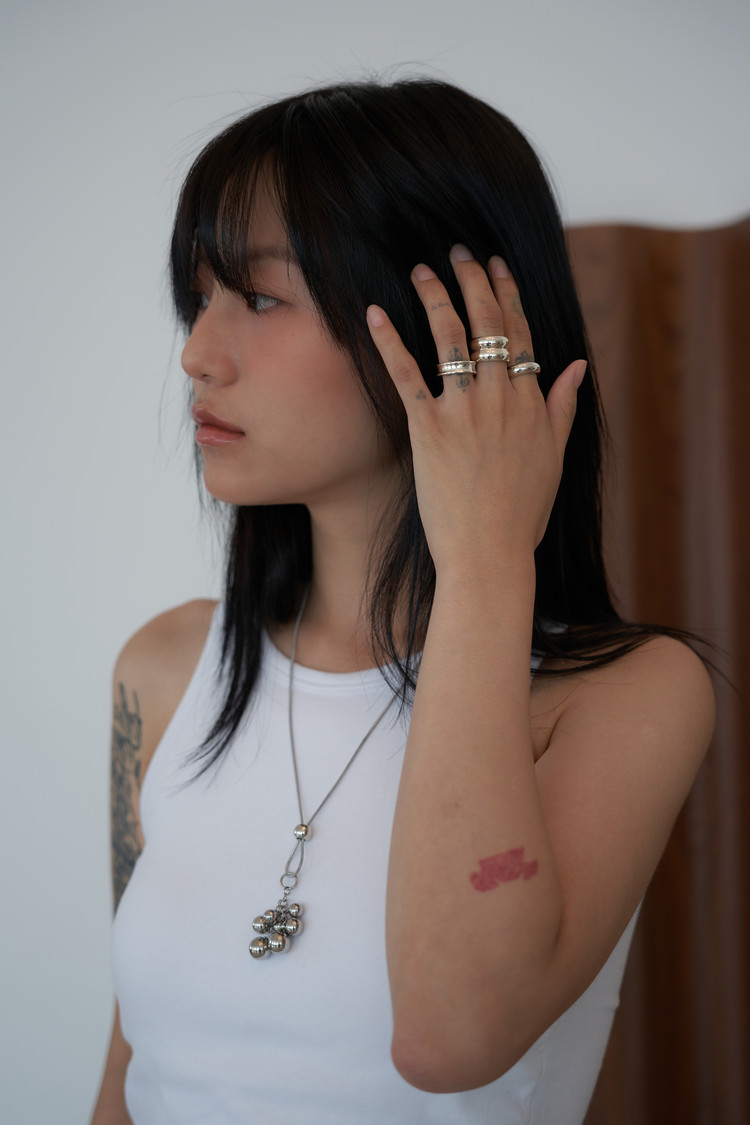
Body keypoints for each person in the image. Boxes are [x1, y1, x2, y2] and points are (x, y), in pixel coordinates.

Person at [90, 78, 714, 1124]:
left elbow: (451, 1037)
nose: (197, 352)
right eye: (198, 298)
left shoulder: (626, 694)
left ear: (451, 330)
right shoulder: (163, 670)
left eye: (260, 297)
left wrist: (485, 559)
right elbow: (131, 1071)